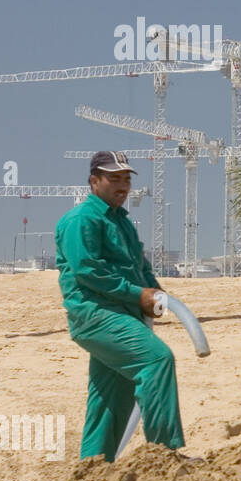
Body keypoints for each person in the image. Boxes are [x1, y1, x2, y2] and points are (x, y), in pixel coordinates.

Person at [55, 151, 184, 460]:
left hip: (123, 315)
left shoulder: (121, 221)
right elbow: (88, 271)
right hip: (97, 316)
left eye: (126, 179)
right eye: (114, 179)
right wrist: (137, 295)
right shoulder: (81, 219)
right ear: (93, 181)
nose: (122, 186)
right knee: (157, 361)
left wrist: (154, 291)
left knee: (110, 397)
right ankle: (164, 457)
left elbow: (139, 265)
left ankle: (92, 472)